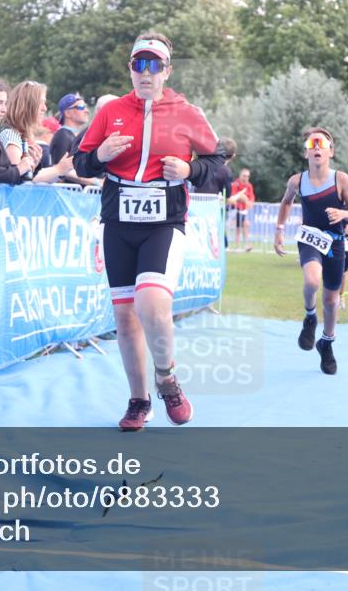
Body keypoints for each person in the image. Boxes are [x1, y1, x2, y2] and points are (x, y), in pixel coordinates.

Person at [74, 31, 224, 431]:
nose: (146, 72)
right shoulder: (110, 111)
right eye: (139, 64)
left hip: (164, 221)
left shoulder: (187, 113)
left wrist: (191, 170)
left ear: (166, 72)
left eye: (154, 66)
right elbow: (82, 161)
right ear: (130, 70)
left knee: (153, 302)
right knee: (124, 318)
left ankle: (167, 378)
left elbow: (219, 165)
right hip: (119, 222)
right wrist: (99, 156)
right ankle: (139, 400)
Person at [273, 127, 348, 375]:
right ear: (306, 153)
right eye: (312, 144)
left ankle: (327, 343)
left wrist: (343, 213)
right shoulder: (297, 181)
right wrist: (279, 229)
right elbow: (286, 202)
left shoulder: (341, 179)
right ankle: (310, 316)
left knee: (331, 301)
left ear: (331, 152)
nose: (317, 147)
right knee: (312, 281)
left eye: (322, 144)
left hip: (335, 242)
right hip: (310, 238)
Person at [0, 81, 72, 184]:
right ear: (26, 104)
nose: (44, 108)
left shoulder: (18, 136)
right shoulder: (10, 135)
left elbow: (26, 178)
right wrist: (59, 169)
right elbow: (18, 181)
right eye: (40, 102)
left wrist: (34, 165)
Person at [230, 168, 255, 251]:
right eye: (244, 176)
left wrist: (250, 202)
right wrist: (242, 199)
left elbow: (251, 197)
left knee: (245, 225)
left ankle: (246, 245)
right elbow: (233, 197)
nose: (246, 178)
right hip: (235, 209)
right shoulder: (235, 184)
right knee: (238, 228)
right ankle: (237, 246)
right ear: (240, 176)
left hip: (244, 210)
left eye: (248, 176)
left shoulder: (249, 186)